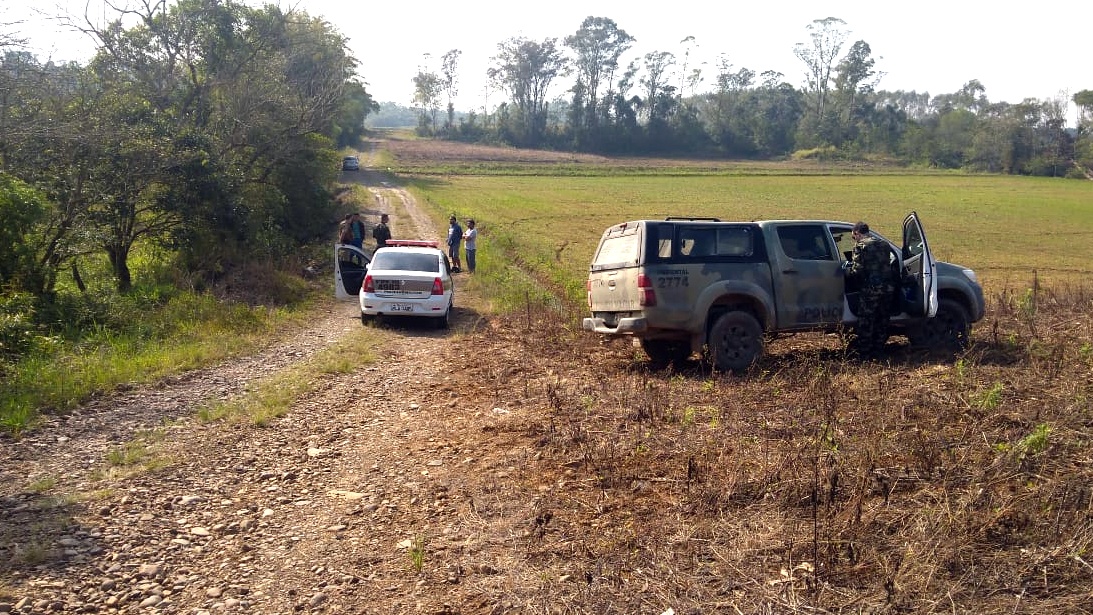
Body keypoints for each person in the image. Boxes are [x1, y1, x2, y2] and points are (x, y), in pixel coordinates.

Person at [844, 221, 896, 358]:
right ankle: (879, 350)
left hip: (871, 289)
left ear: (857, 233)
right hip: (888, 288)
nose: (854, 239)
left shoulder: (860, 246)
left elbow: (857, 271)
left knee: (866, 321)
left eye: (853, 236)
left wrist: (846, 272)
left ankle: (865, 353)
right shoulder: (884, 244)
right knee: (883, 319)